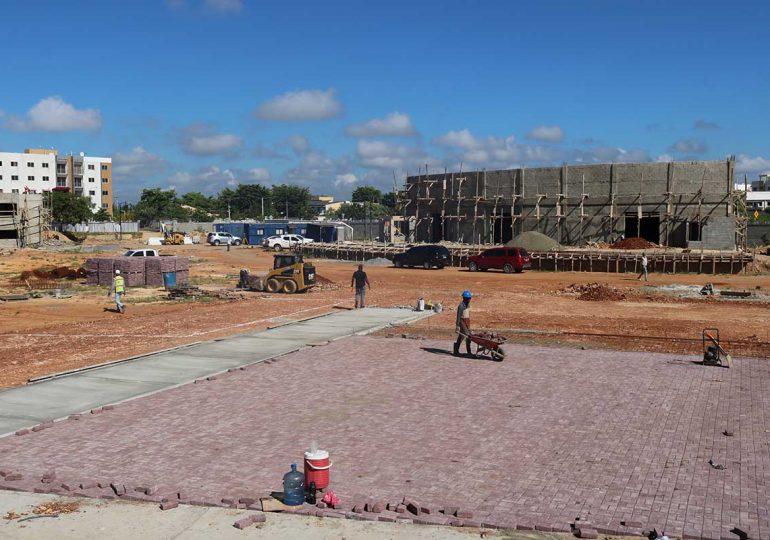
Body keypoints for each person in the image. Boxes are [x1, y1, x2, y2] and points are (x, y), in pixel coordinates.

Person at [454, 290, 473, 357]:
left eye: (470, 298)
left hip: (467, 322)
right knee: (468, 336)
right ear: (464, 298)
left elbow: (467, 314)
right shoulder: (461, 306)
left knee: (461, 337)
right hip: (462, 322)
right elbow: (458, 316)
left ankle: (456, 351)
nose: (469, 300)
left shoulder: (468, 305)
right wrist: (457, 326)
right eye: (468, 298)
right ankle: (469, 352)